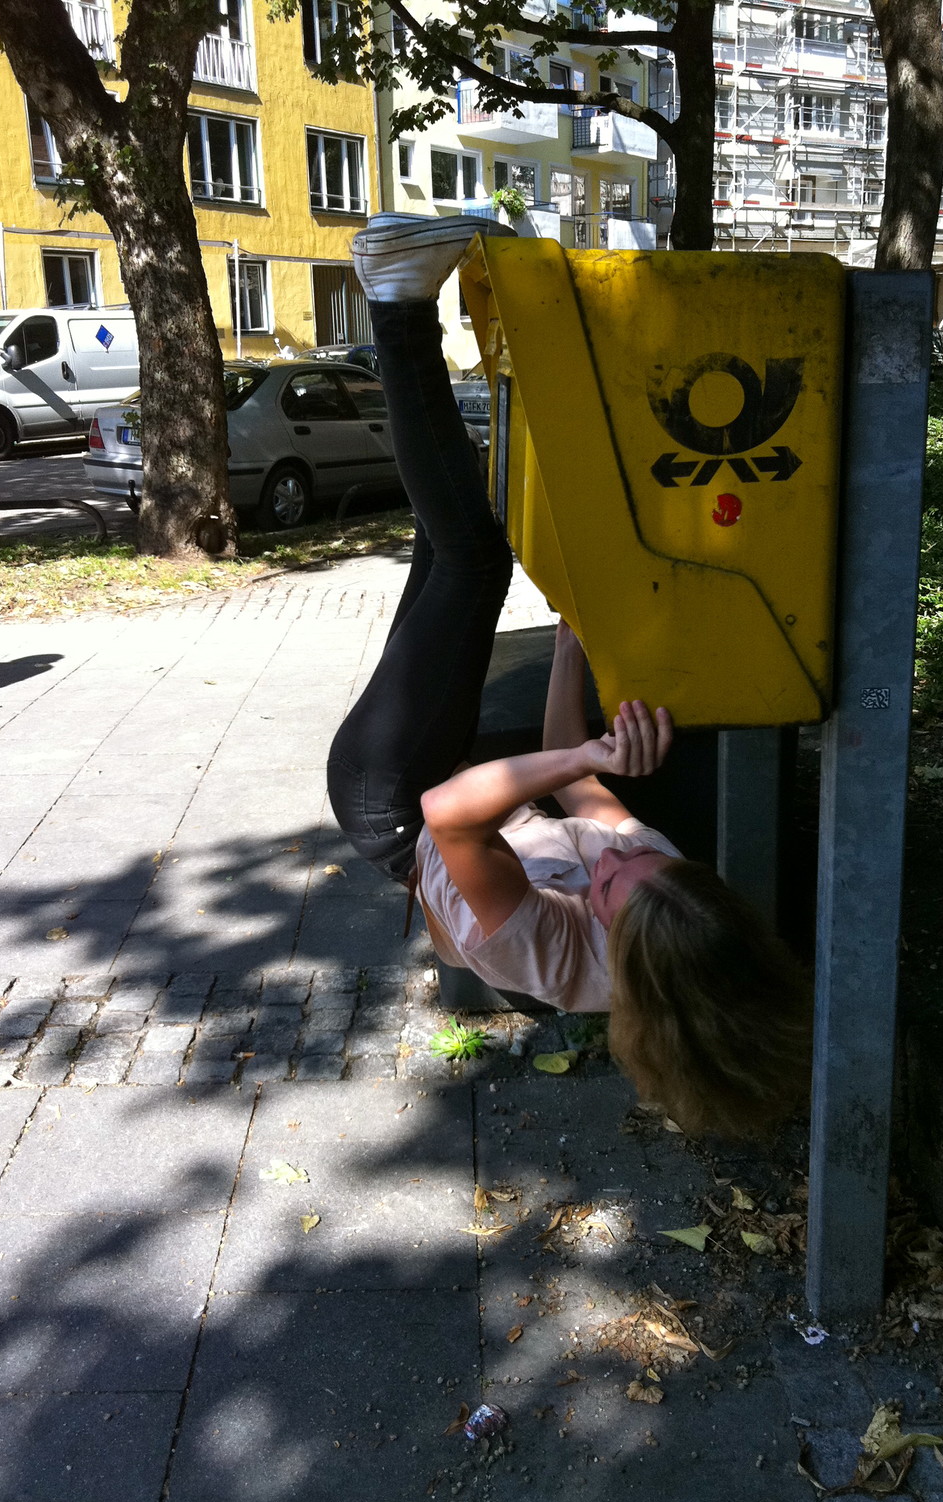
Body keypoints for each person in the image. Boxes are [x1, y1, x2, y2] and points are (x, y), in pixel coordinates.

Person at [327, 216, 811, 1138]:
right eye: (648, 859)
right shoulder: (667, 901)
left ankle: (393, 294)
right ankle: (404, 301)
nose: (622, 854)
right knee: (451, 536)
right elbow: (574, 778)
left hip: (396, 806)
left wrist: (590, 754)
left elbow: (450, 813)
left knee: (472, 561)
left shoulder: (554, 961)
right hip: (464, 779)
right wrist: (570, 646)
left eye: (617, 875)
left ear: (616, 937)